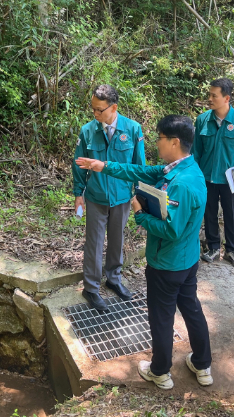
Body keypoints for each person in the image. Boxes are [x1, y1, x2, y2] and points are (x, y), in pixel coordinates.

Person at [76, 115, 213, 390]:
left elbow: (170, 230)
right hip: (187, 260)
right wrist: (103, 166)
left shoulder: (180, 184)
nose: (156, 143)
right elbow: (140, 172)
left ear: (174, 142)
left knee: (161, 316)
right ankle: (202, 364)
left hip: (166, 263)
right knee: (191, 308)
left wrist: (139, 213)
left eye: (160, 138)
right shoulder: (184, 169)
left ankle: (160, 372)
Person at [72, 85, 146, 313]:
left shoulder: (133, 129)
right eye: (93, 109)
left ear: (113, 107)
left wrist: (139, 195)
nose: (95, 114)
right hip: (95, 196)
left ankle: (113, 279)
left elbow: (139, 166)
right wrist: (78, 194)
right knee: (94, 243)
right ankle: (91, 288)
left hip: (122, 197)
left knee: (117, 239)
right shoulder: (87, 131)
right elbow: (78, 166)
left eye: (99, 110)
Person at [193, 78, 234, 269]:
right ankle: (212, 247)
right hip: (207, 176)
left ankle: (232, 250)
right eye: (209, 95)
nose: (209, 99)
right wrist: (193, 176)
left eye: (214, 95)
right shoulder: (202, 120)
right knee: (209, 212)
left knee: (231, 213)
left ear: (226, 98)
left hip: (230, 179)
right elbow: (196, 151)